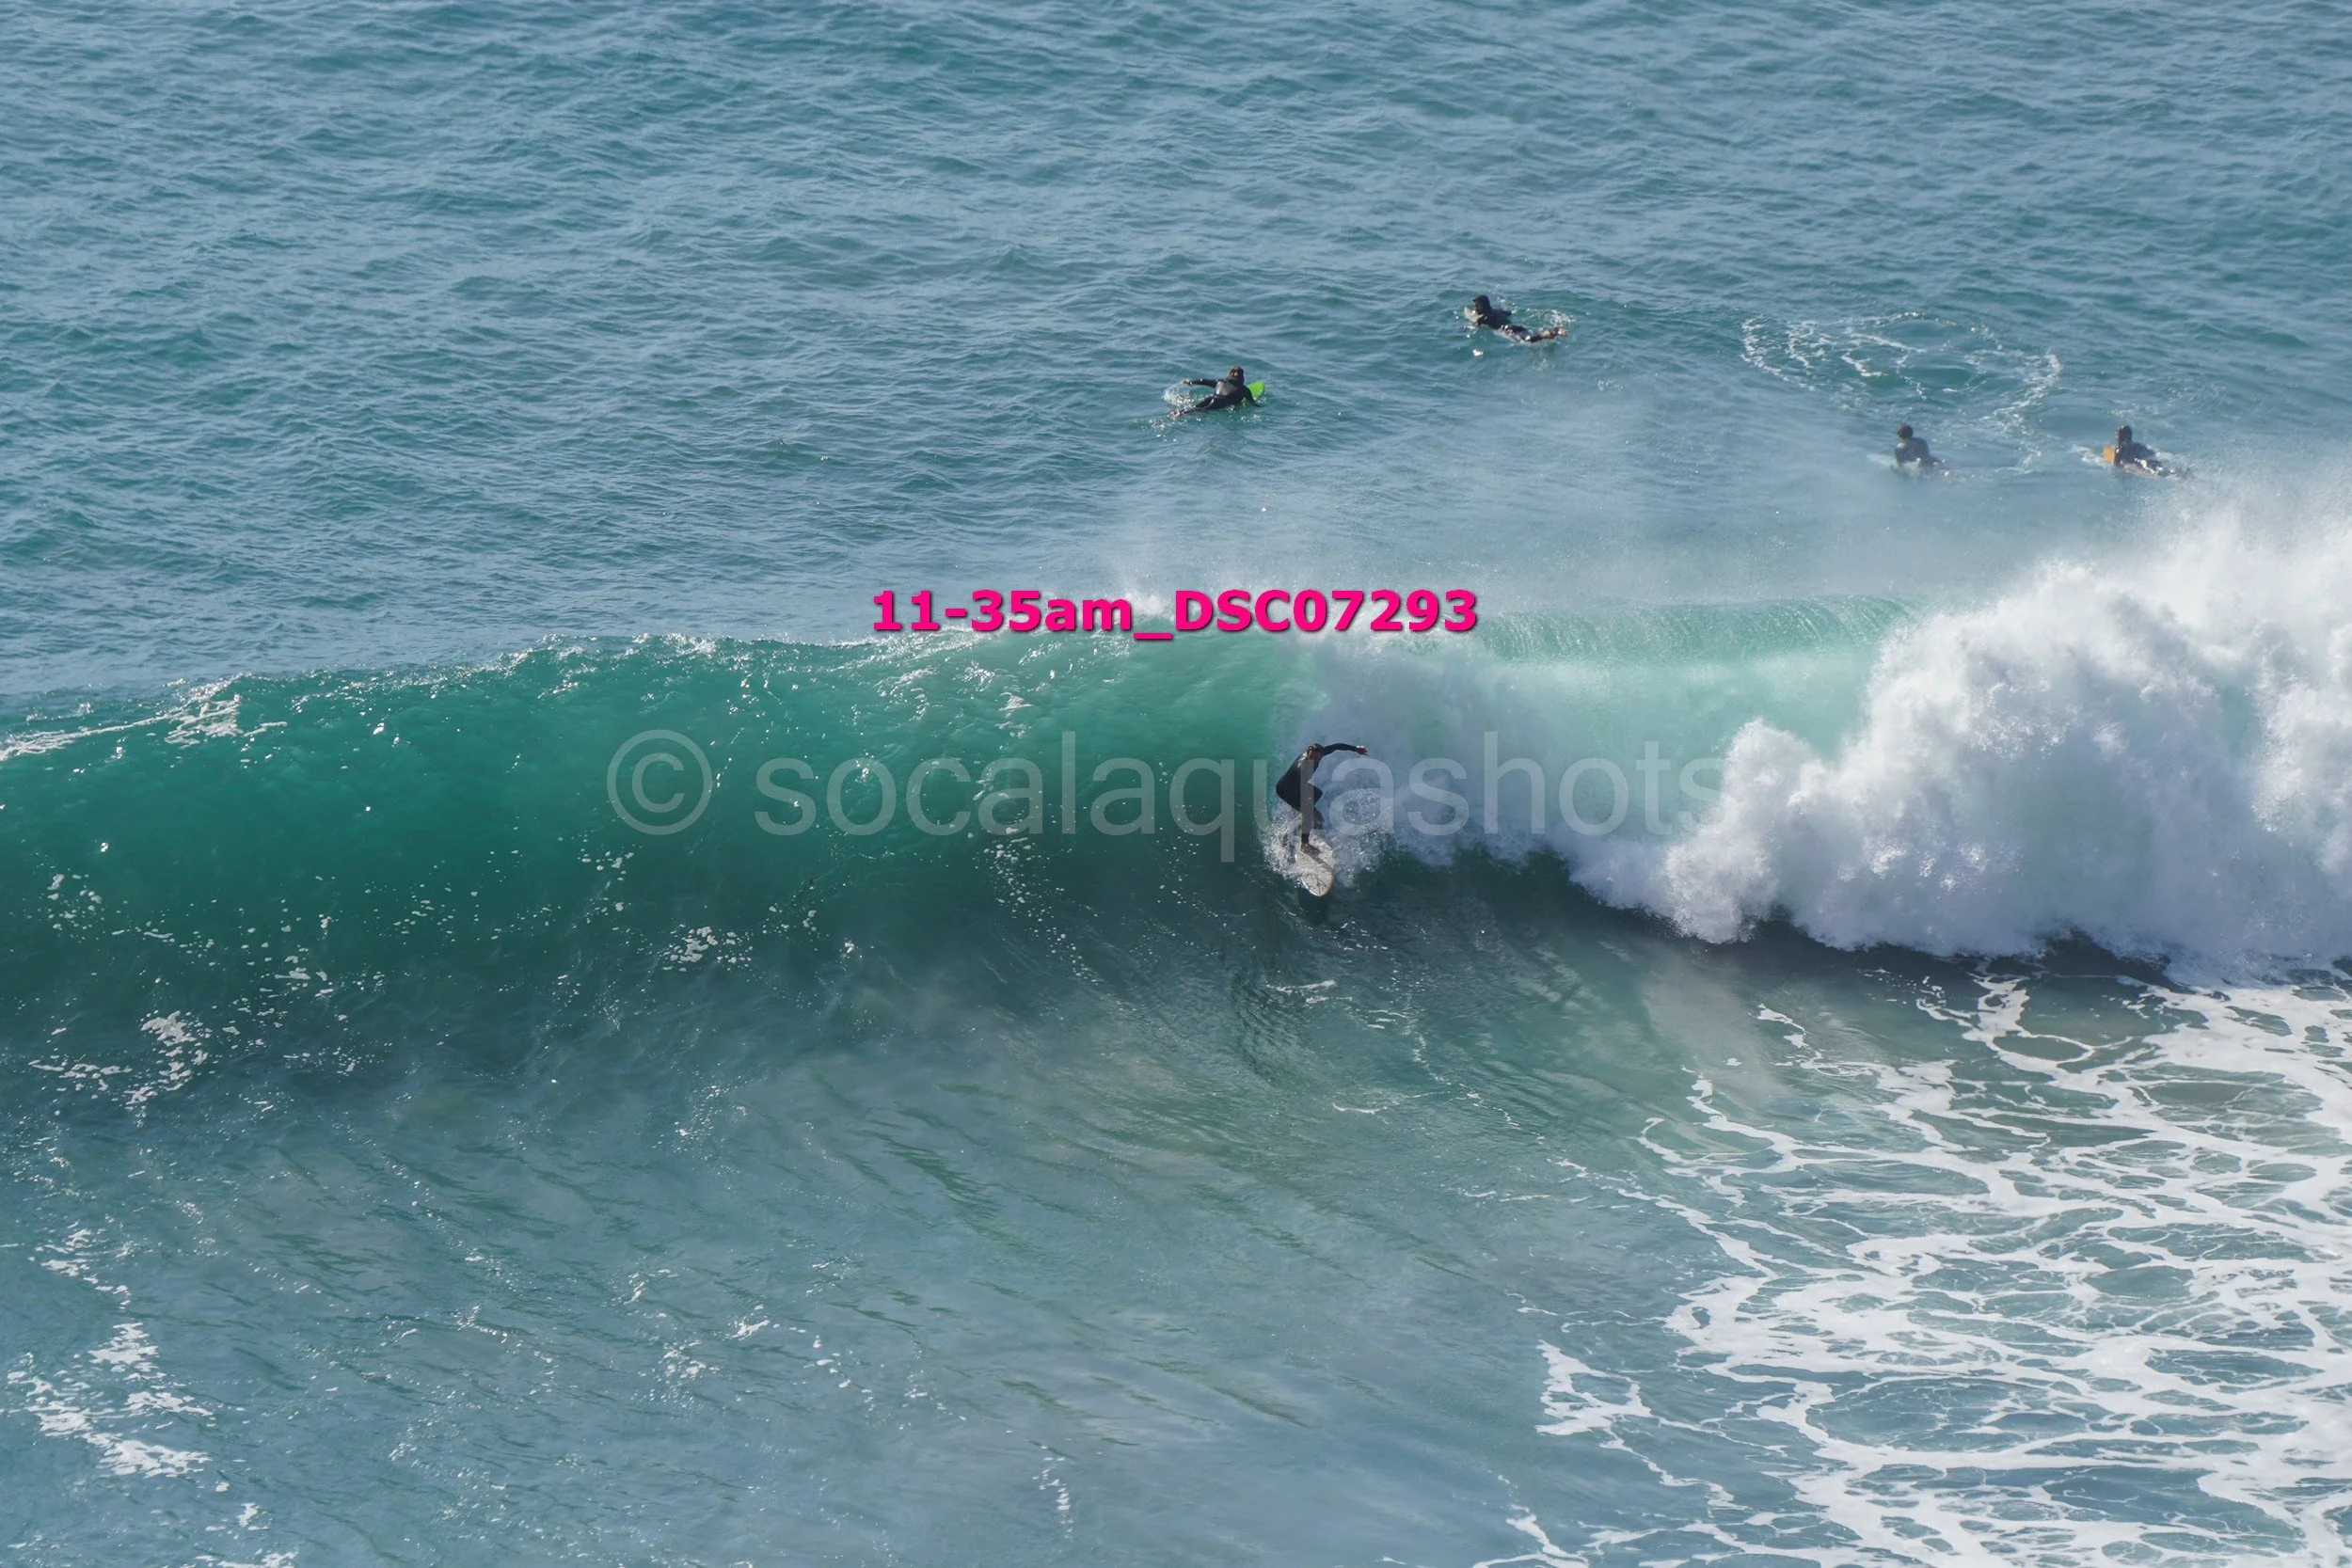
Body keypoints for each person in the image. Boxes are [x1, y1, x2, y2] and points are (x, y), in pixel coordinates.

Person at [1276, 742, 1369, 848]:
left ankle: (1306, 819)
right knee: (1310, 815)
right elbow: (1299, 791)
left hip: (1295, 785)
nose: (1314, 759)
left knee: (1317, 793)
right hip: (1286, 790)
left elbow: (1336, 747)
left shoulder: (1320, 753)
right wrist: (1313, 811)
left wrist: (1355, 748)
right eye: (1311, 757)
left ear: (1320, 754)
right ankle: (1304, 844)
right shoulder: (1302, 766)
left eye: (1316, 757)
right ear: (1307, 753)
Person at [1467, 295, 1565, 343]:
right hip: (1516, 326)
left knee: (1528, 340)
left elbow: (1475, 327)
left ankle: (1548, 334)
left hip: (1508, 331)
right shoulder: (1498, 311)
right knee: (1530, 336)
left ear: (1482, 306)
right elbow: (1509, 312)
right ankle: (1550, 334)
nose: (1475, 309)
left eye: (1477, 306)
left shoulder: (1483, 318)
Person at [1174, 366, 1257, 417]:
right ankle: (1180, 414)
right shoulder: (1244, 390)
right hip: (1221, 403)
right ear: (1242, 377)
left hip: (1211, 398)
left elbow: (1204, 381)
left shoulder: (1220, 382)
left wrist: (1191, 382)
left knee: (1196, 408)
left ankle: (1179, 412)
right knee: (1202, 411)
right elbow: (1252, 403)